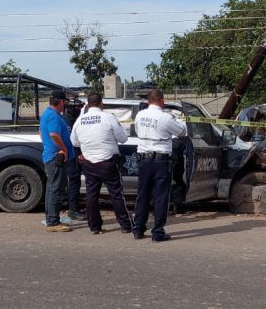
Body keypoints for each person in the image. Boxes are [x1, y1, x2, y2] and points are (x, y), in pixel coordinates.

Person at [70, 92, 133, 235]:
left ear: (87, 104)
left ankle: (95, 227)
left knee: (91, 196)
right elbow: (123, 139)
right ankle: (125, 225)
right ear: (101, 104)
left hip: (89, 163)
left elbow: (74, 141)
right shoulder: (109, 117)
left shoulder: (80, 120)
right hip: (108, 162)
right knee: (116, 194)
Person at [132, 89, 187, 242]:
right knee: (161, 197)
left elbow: (137, 131)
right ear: (163, 101)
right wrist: (180, 120)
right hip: (161, 162)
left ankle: (138, 230)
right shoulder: (166, 117)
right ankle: (157, 233)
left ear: (148, 101)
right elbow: (182, 132)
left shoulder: (140, 115)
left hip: (143, 160)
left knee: (142, 196)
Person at [39, 89, 75, 232]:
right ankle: (53, 222)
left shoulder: (47, 114)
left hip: (51, 155)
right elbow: (54, 134)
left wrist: (48, 145)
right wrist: (64, 149)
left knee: (51, 189)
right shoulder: (53, 116)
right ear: (61, 102)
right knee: (56, 190)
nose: (64, 105)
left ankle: (51, 218)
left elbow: (41, 132)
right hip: (56, 157)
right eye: (64, 102)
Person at [61, 99, 87, 222]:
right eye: (78, 107)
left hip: (71, 155)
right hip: (72, 156)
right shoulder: (68, 121)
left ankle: (74, 207)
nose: (80, 110)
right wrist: (78, 154)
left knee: (74, 182)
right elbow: (71, 142)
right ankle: (73, 210)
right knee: (74, 182)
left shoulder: (70, 119)